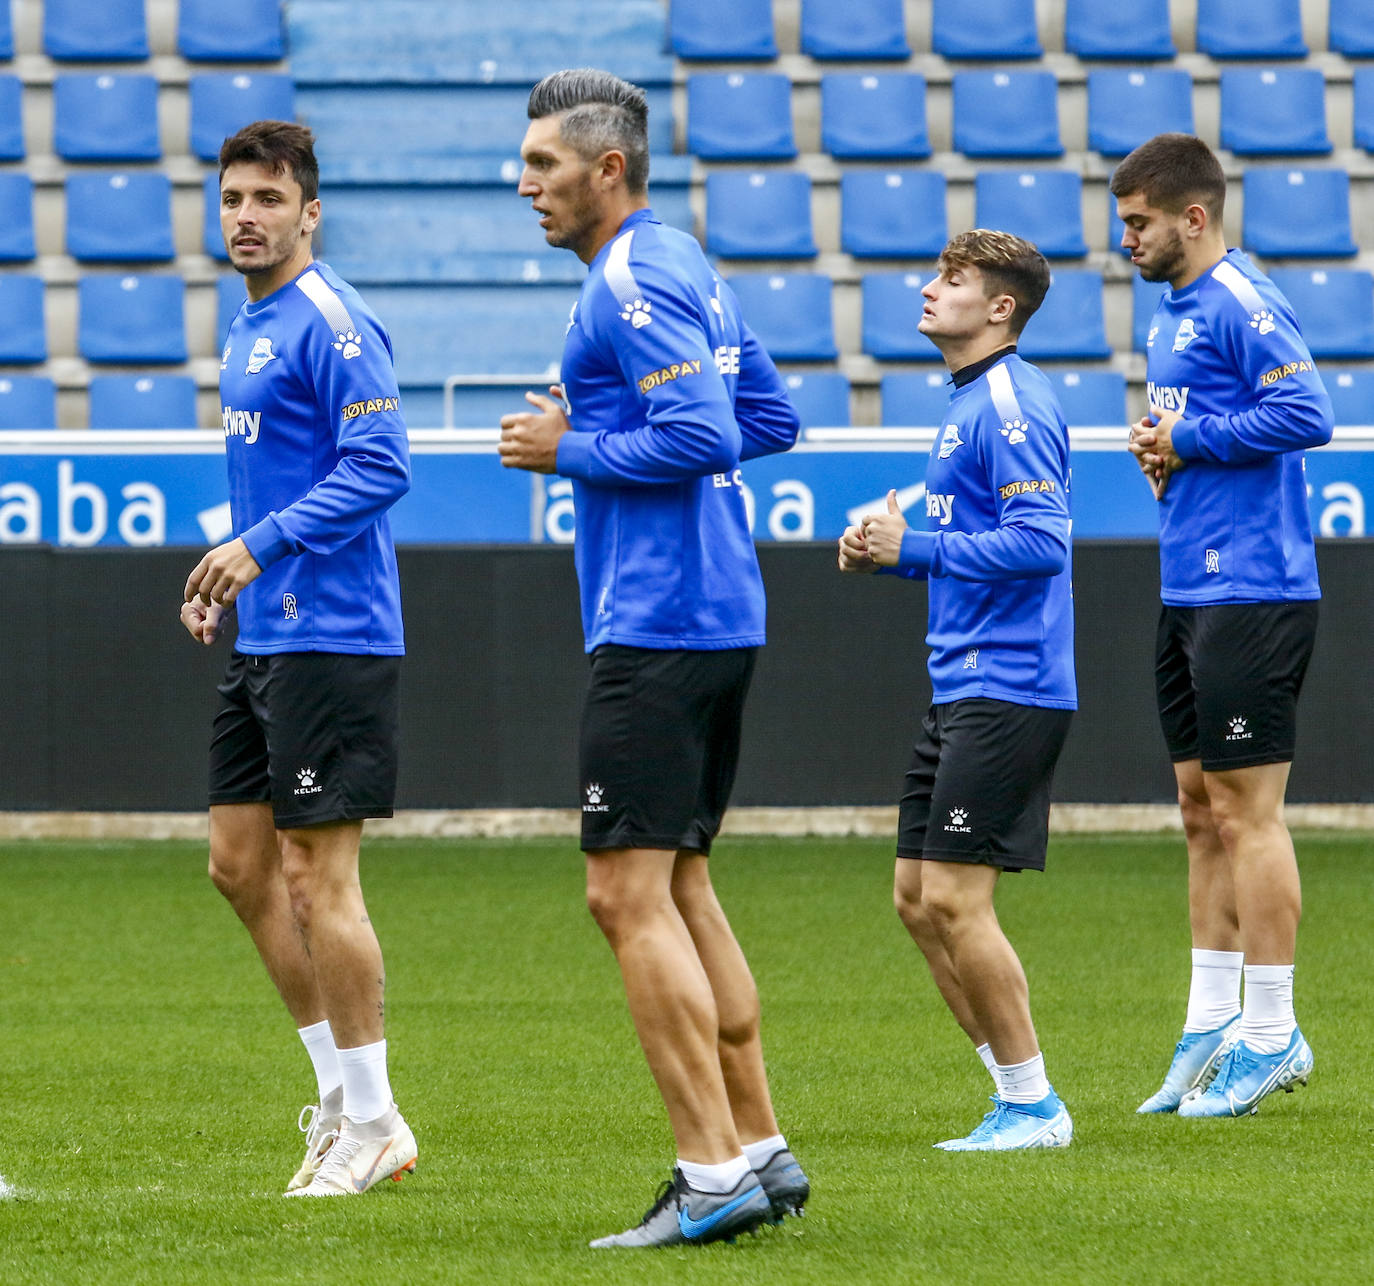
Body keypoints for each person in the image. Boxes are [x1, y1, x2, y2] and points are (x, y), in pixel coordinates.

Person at [499, 68, 806, 1248]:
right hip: (718, 612)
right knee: (679, 884)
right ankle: (761, 1148)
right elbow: (768, 421)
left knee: (622, 892)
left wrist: (571, 445)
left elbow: (706, 432)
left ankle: (709, 1170)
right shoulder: (686, 264)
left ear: (607, 168)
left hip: (660, 620)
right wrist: (613, 432)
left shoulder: (628, 278)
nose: (527, 183)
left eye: (544, 164)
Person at [180, 120, 417, 1194]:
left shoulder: (331, 316)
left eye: (269, 199)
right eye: (233, 197)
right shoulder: (248, 327)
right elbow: (276, 486)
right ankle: (336, 1093)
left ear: (309, 213)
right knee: (240, 864)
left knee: (320, 877)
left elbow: (382, 464)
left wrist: (259, 544)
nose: (246, 216)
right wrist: (222, 574)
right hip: (269, 628)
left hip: (334, 630)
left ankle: (375, 1120)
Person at [838, 230, 1076, 1152]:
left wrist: (920, 549)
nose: (930, 289)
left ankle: (1034, 1106)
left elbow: (1043, 543)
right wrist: (887, 548)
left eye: (953, 279)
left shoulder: (1009, 400)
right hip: (963, 681)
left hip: (1011, 684)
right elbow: (968, 525)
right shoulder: (970, 401)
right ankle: (1010, 1095)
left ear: (1002, 307)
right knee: (915, 897)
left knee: (955, 901)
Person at [1112, 134, 1332, 1118]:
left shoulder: (1242, 300)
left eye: (1139, 223)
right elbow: (1203, 433)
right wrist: (1162, 450)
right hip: (1190, 583)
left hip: (1252, 586)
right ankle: (1210, 1020)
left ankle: (1274, 1029)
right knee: (1200, 813)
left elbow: (1308, 412)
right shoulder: (1170, 313)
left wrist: (1190, 437)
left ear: (1192, 217)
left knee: (1249, 814)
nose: (1127, 241)